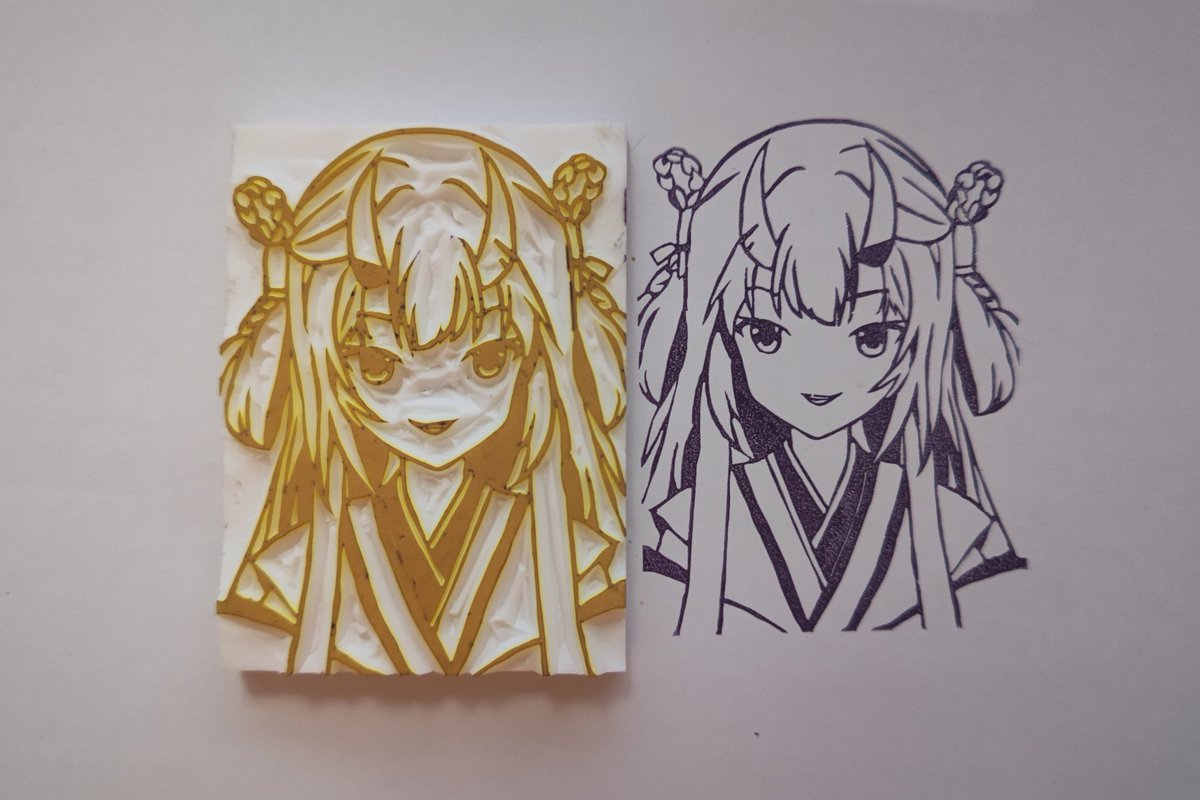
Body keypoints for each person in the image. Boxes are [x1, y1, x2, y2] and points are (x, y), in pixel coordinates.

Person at [218, 130, 626, 673]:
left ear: (536, 359)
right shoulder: (298, 564)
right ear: (325, 366)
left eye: (487, 362)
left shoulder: (571, 555)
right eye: (379, 367)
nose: (435, 401)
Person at [638, 120, 1024, 633]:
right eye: (766, 334)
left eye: (871, 337)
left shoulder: (950, 527)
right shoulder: (695, 524)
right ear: (724, 338)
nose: (818, 374)